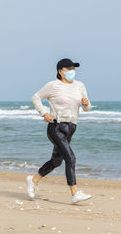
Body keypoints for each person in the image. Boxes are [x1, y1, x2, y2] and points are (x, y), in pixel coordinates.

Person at [27, 58, 92, 203]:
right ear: (60, 72)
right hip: (55, 127)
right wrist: (44, 113)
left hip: (71, 127)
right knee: (70, 158)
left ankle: (33, 180)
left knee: (56, 161)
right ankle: (75, 193)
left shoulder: (80, 86)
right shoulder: (52, 85)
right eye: (68, 69)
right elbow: (36, 97)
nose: (72, 72)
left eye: (73, 69)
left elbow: (87, 108)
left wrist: (86, 104)